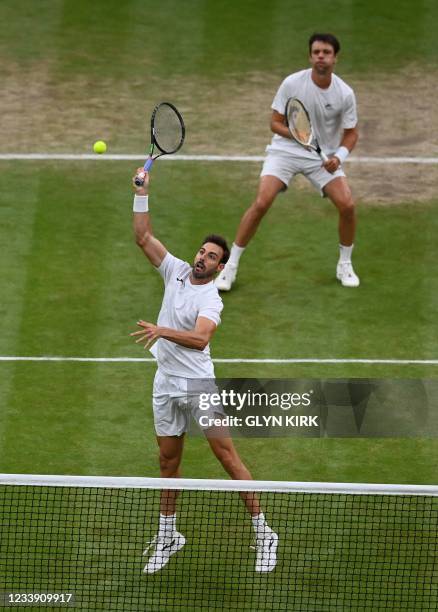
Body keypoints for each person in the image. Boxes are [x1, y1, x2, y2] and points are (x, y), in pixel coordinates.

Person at [130, 169, 278, 574]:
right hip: (165, 383)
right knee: (167, 461)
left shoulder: (212, 300)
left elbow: (200, 340)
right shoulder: (175, 270)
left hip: (198, 386)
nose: (202, 258)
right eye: (201, 251)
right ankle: (169, 534)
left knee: (226, 456)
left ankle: (265, 533)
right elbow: (143, 237)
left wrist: (162, 330)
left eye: (211, 256)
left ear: (220, 267)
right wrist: (141, 193)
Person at [215, 33, 360, 290]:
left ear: (335, 58)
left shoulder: (345, 93)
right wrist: (298, 135)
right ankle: (230, 267)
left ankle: (345, 264)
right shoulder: (292, 83)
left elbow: (351, 134)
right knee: (261, 202)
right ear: (310, 56)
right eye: (316, 52)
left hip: (322, 156)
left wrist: (338, 157)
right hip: (285, 151)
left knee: (347, 205)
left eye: (326, 52)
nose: (320, 57)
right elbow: (275, 122)